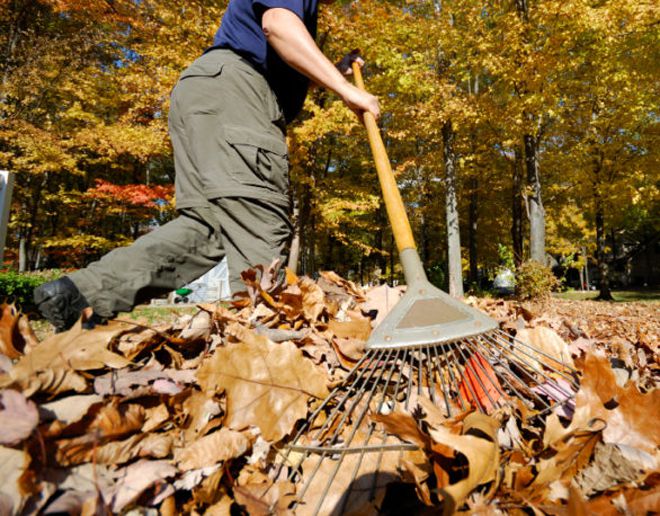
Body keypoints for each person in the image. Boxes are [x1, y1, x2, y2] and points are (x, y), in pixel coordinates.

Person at [34, 0, 380, 333]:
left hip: (208, 94)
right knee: (258, 217)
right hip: (237, 93)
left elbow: (279, 55)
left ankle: (80, 295)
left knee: (207, 227)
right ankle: (261, 346)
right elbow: (277, 25)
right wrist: (346, 90)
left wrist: (333, 72)